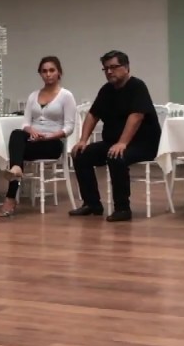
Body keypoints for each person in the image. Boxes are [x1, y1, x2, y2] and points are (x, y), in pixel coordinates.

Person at [68, 51, 161, 221]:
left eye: (113, 67)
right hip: (113, 142)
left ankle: (123, 209)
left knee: (116, 156)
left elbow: (137, 116)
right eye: (105, 69)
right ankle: (92, 204)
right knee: (81, 154)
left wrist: (122, 143)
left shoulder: (137, 86)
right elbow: (92, 115)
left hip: (143, 144)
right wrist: (82, 140)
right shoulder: (106, 90)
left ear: (126, 67)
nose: (109, 72)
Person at [0, 56, 77, 217]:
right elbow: (25, 123)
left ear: (59, 73)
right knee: (17, 134)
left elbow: (69, 127)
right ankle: (16, 170)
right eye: (44, 71)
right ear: (40, 74)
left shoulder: (66, 96)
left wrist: (50, 136)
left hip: (52, 143)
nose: (48, 74)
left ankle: (11, 197)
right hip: (33, 141)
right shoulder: (33, 95)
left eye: (51, 70)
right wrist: (31, 130)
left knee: (16, 154)